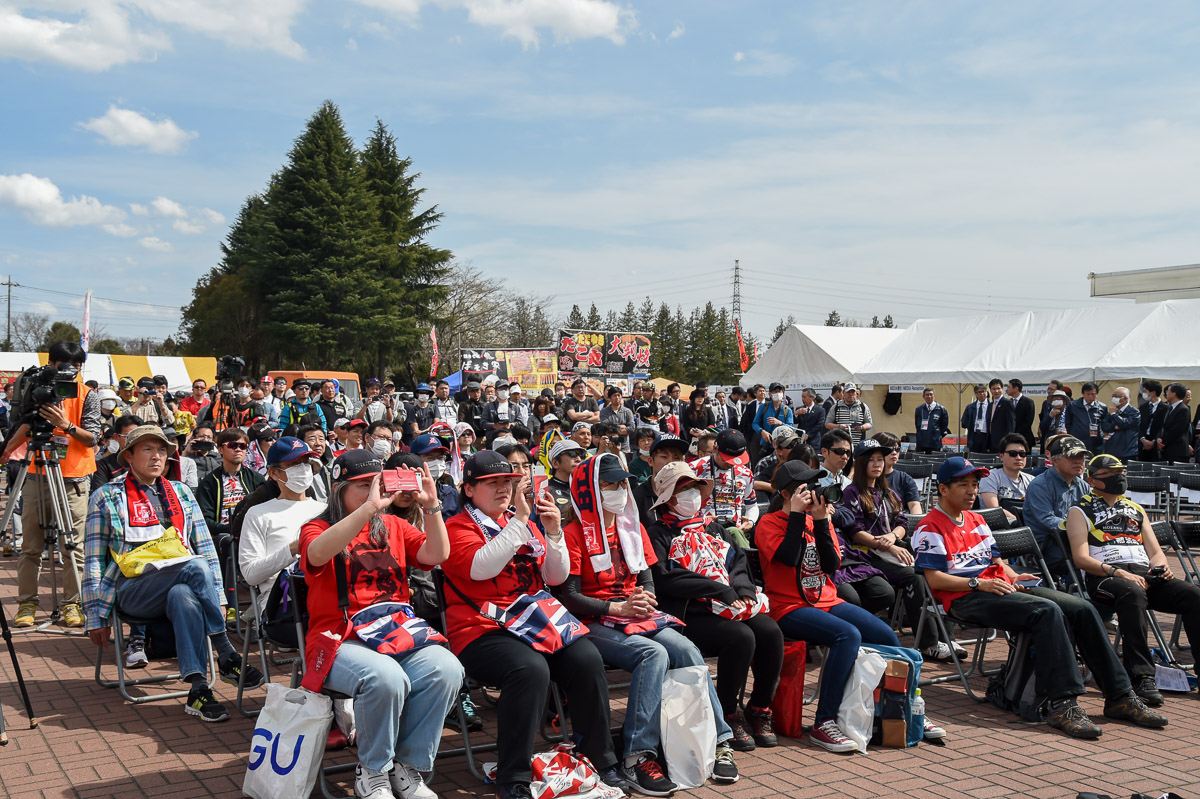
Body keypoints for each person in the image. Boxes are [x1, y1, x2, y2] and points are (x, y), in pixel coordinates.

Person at [913, 456, 1167, 739]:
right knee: (1046, 611)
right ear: (943, 489)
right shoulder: (929, 526)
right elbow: (934, 580)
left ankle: (1120, 695)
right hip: (965, 596)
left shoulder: (976, 519)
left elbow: (995, 560)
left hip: (999, 586)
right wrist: (978, 584)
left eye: (975, 484)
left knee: (1081, 608)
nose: (972, 491)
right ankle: (1064, 704)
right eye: (963, 485)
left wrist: (1012, 575)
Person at [440, 451, 627, 799]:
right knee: (530, 669)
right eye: (491, 483)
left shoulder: (521, 520)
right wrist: (520, 522)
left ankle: (600, 758)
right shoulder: (457, 527)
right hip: (481, 629)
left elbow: (554, 576)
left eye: (507, 482)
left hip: (535, 623)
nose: (502, 489)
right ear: (468, 489)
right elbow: (481, 568)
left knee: (586, 657)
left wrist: (554, 532)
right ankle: (514, 777)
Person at [560, 454, 739, 790]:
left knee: (686, 650)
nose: (618, 491)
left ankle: (719, 740)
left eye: (621, 484)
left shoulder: (633, 526)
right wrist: (617, 609)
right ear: (587, 491)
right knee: (652, 654)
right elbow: (569, 596)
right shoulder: (573, 534)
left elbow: (646, 578)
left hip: (634, 613)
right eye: (608, 484)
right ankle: (636, 757)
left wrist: (644, 598)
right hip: (594, 619)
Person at [299, 448, 461, 799]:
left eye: (379, 483)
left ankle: (408, 766)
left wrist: (431, 505)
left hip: (394, 632)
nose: (375, 491)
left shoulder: (395, 525)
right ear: (338, 487)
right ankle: (373, 771)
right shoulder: (318, 526)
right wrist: (369, 508)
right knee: (384, 678)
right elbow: (315, 555)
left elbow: (437, 555)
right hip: (338, 638)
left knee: (447, 669)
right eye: (363, 485)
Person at [757, 460, 944, 752]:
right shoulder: (769, 524)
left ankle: (902, 707)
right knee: (848, 635)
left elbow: (832, 565)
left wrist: (820, 522)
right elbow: (789, 559)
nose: (814, 493)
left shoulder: (817, 520)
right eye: (806, 488)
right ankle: (824, 722)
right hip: (787, 607)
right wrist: (796, 516)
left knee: (884, 635)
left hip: (826, 599)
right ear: (787, 493)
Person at [83, 425, 264, 722]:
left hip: (181, 582)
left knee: (184, 594)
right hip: (132, 589)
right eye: (148, 449)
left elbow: (205, 546)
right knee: (193, 565)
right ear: (128, 456)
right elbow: (92, 559)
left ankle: (198, 689)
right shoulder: (106, 496)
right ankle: (226, 651)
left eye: (163, 450)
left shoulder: (180, 492)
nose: (157, 456)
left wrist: (217, 594)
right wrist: (95, 615)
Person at [646, 461, 784, 752]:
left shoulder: (713, 526)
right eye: (684, 489)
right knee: (741, 637)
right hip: (689, 613)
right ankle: (727, 713)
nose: (692, 494)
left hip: (730, 603)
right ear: (668, 498)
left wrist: (743, 591)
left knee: (770, 631)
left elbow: (737, 562)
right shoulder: (659, 533)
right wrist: (718, 590)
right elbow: (665, 578)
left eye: (694, 487)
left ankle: (759, 708)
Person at [1064, 453, 1200, 706]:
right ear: (1093, 480)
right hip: (1105, 577)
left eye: (1121, 471)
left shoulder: (1135, 508)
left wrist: (1160, 567)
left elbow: (1155, 550)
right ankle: (1141, 676)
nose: (1119, 477)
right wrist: (1118, 572)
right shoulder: (1079, 510)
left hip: (1143, 574)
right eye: (1112, 473)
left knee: (1193, 595)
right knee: (1131, 593)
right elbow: (1081, 559)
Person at [5, 340, 101, 629]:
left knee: (73, 546)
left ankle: (72, 604)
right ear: (51, 364)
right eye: (64, 365)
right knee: (31, 546)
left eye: (77, 366)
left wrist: (65, 424)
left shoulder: (87, 395)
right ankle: (27, 605)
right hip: (37, 475)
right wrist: (6, 451)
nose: (71, 371)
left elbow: (93, 438)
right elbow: (25, 425)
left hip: (73, 478)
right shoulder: (38, 390)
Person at [837, 439, 954, 660]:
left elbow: (903, 522)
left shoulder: (888, 492)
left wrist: (892, 538)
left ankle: (947, 638)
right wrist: (886, 545)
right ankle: (929, 644)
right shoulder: (851, 492)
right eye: (870, 460)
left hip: (891, 547)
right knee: (914, 577)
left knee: (937, 571)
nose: (877, 464)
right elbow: (854, 530)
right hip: (865, 554)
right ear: (860, 463)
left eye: (880, 459)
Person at [237, 437, 326, 612]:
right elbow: (250, 575)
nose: (302, 469)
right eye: (293, 464)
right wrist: (292, 549)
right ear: (274, 473)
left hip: (324, 593)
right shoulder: (258, 514)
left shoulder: (324, 510)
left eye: (305, 463)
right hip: (283, 603)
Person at [196, 428, 266, 619]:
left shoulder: (256, 479)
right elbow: (205, 520)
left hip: (255, 532)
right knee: (228, 542)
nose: (238, 449)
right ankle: (230, 605)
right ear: (220, 449)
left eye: (242, 446)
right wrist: (231, 529)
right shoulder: (209, 483)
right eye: (232, 445)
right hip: (224, 535)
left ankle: (265, 604)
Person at [1024, 435, 1090, 574]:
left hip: (1073, 540)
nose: (1079, 461)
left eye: (1082, 457)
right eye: (1072, 457)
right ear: (1054, 460)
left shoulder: (1083, 485)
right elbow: (1047, 520)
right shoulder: (1040, 485)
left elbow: (1090, 514)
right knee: (1085, 559)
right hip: (1048, 546)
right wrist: (1077, 528)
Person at [690, 429, 758, 546]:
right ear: (715, 449)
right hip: (703, 532)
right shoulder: (694, 469)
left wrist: (750, 521)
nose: (731, 463)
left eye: (736, 459)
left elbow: (752, 505)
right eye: (727, 459)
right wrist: (702, 518)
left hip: (737, 533)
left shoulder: (745, 473)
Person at [632, 433, 689, 528]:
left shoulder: (690, 491)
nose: (671, 463)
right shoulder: (637, 497)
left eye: (676, 458)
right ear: (650, 461)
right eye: (664, 457)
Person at [978, 433, 1033, 524]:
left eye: (1022, 454)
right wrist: (1020, 521)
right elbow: (994, 509)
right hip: (998, 527)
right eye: (1013, 454)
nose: (1018, 458)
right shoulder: (990, 477)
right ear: (1001, 456)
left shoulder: (1032, 480)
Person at [874, 432, 922, 514]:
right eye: (889, 448)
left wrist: (914, 523)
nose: (894, 453)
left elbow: (914, 505)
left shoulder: (904, 478)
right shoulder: (868, 478)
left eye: (897, 449)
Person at [92, 415, 140, 493]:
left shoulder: (148, 461)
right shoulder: (104, 465)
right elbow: (100, 495)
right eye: (128, 436)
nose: (133, 440)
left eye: (137, 436)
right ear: (116, 437)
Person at [544, 439, 586, 528]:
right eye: (572, 454)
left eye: (581, 455)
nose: (578, 459)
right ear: (555, 463)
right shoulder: (545, 489)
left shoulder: (586, 487)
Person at [753, 425, 801, 494]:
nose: (794, 448)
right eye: (789, 445)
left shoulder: (800, 462)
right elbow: (755, 485)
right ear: (775, 445)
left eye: (796, 444)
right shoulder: (764, 463)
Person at [1066, 382, 1108, 455]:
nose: (1090, 397)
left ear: (1097, 394)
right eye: (1088, 394)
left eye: (1093, 394)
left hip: (1095, 443)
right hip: (1077, 441)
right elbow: (1067, 422)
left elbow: (1105, 424)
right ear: (1082, 393)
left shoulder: (1102, 407)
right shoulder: (1073, 405)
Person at [752, 383, 793, 450]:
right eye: (775, 391)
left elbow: (791, 429)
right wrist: (762, 432)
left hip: (782, 445)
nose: (777, 393)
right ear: (770, 394)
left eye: (779, 391)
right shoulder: (764, 407)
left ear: (783, 393)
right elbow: (755, 423)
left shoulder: (787, 410)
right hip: (766, 444)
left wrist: (780, 423)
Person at [1159, 383, 1192, 464]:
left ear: (1174, 394)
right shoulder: (1170, 408)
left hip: (1177, 450)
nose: (1166, 393)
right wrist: (1159, 439)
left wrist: (1163, 442)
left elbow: (1176, 430)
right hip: (1168, 449)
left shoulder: (1183, 409)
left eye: (1168, 391)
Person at [599, 386, 636, 453]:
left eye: (619, 395)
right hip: (609, 446)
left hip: (624, 446)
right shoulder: (604, 411)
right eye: (614, 395)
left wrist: (613, 429)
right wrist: (623, 428)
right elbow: (605, 427)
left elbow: (632, 428)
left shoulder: (627, 411)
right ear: (610, 398)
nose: (617, 398)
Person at [913, 387, 949, 453]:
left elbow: (944, 426)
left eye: (931, 394)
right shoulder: (919, 409)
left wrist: (936, 434)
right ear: (923, 397)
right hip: (922, 442)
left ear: (934, 396)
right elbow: (917, 424)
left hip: (935, 443)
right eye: (927, 395)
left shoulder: (941, 409)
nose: (929, 396)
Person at [1138, 380, 1167, 463]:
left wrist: (1153, 442)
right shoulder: (1143, 407)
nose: (1144, 393)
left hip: (1157, 443)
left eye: (1145, 391)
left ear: (1153, 392)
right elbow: (1138, 425)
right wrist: (1143, 439)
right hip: (1143, 443)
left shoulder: (1165, 408)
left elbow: (1163, 427)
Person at [791, 388, 825, 452]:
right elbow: (794, 421)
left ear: (811, 398)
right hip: (800, 441)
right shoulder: (800, 409)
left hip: (814, 441)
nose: (802, 399)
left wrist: (808, 435)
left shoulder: (820, 410)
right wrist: (796, 413)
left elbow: (819, 425)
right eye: (802, 397)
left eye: (804, 397)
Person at [962, 384, 990, 454]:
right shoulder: (970, 407)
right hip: (974, 436)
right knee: (974, 457)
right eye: (979, 392)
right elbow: (964, 422)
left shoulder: (991, 406)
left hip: (986, 436)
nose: (982, 394)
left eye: (983, 391)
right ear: (975, 394)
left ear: (987, 392)